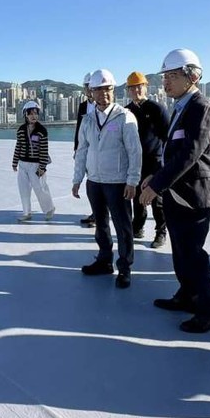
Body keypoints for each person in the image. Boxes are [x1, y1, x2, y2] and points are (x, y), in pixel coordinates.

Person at [140, 49, 210, 333]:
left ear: (192, 76)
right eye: (164, 76)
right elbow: (174, 152)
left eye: (172, 76)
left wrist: (156, 186)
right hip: (177, 193)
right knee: (180, 252)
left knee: (193, 254)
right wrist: (156, 176)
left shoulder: (201, 107)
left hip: (194, 195)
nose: (165, 82)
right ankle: (186, 295)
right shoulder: (182, 106)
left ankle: (209, 310)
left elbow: (190, 153)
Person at [73, 69, 142, 288]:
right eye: (99, 90)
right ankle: (104, 261)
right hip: (94, 181)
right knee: (101, 225)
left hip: (117, 181)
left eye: (108, 89)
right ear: (91, 93)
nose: (104, 94)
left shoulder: (124, 116)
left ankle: (125, 268)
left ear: (113, 90)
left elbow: (134, 151)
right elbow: (82, 150)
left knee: (123, 227)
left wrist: (132, 180)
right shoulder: (88, 119)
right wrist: (77, 179)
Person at [125, 70, 171, 248]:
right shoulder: (126, 111)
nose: (136, 91)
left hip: (154, 162)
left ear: (145, 87)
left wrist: (163, 165)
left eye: (139, 87)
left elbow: (168, 137)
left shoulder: (157, 109)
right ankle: (138, 227)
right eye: (132, 88)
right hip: (135, 163)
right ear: (128, 90)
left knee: (156, 200)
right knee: (136, 197)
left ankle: (161, 232)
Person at [12, 100, 56, 222]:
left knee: (40, 188)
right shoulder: (21, 130)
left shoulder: (42, 130)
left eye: (36, 113)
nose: (34, 116)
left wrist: (42, 167)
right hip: (23, 164)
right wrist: (15, 162)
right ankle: (26, 213)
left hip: (36, 165)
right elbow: (18, 146)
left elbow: (44, 150)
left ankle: (49, 209)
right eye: (30, 113)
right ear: (25, 114)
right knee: (23, 189)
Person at [74, 72, 96, 228]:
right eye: (86, 87)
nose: (88, 89)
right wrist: (76, 148)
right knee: (92, 183)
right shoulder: (83, 105)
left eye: (90, 86)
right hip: (86, 150)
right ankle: (96, 212)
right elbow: (78, 129)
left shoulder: (104, 104)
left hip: (100, 151)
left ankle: (101, 214)